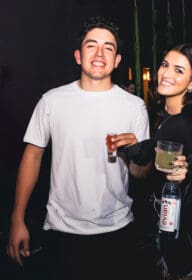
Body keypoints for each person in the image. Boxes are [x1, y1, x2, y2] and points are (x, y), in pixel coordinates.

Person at [7, 16, 155, 280]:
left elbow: (139, 174)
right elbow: (32, 156)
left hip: (118, 228)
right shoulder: (52, 101)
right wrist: (17, 219)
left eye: (108, 47)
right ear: (78, 56)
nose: (100, 53)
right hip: (61, 230)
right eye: (91, 46)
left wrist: (135, 152)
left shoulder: (134, 106)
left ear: (117, 60)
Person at [121, 43, 192, 279]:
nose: (166, 73)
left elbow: (144, 155)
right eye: (165, 65)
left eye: (179, 70)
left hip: (184, 238)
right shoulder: (167, 117)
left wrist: (126, 144)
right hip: (176, 232)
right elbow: (144, 170)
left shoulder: (182, 123)